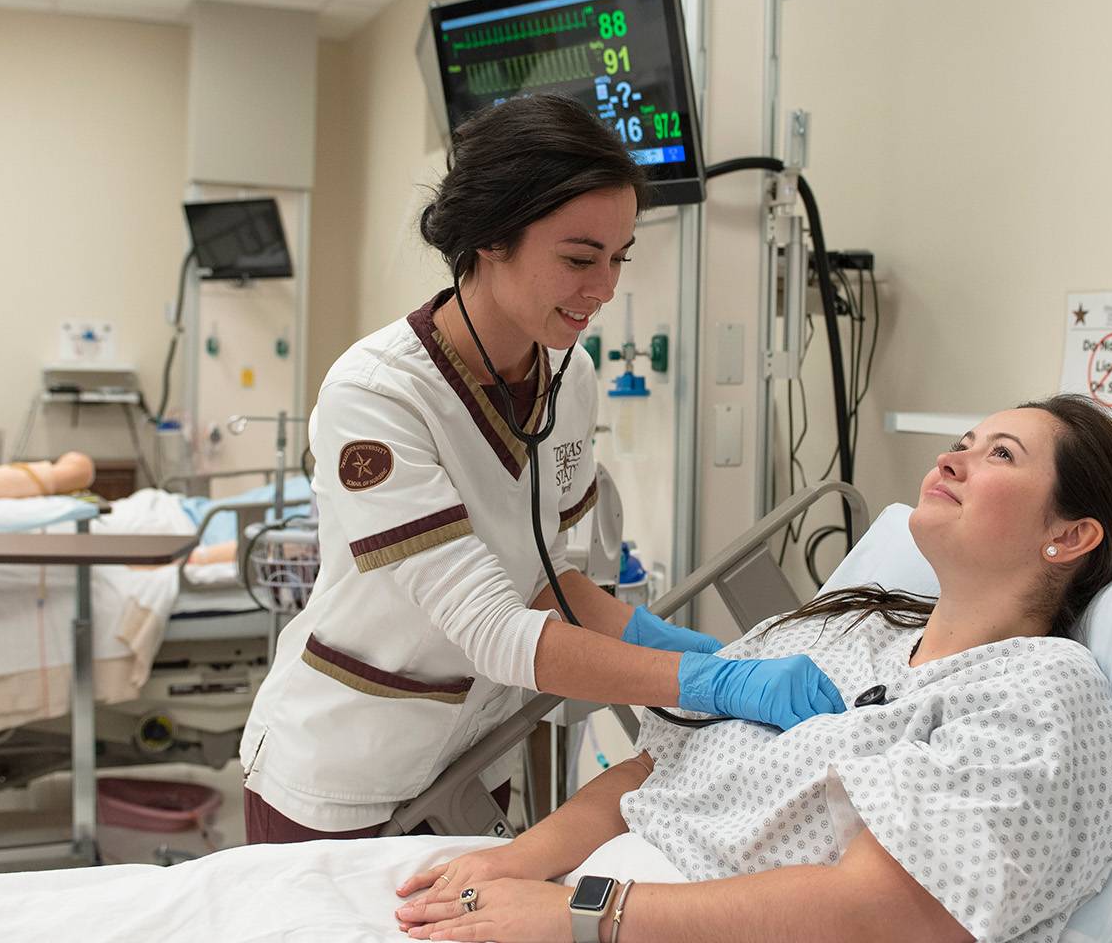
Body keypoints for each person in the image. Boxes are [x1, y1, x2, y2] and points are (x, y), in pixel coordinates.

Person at [238, 95, 845, 843]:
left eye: (618, 258)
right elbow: (491, 628)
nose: (606, 289)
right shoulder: (376, 394)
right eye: (579, 258)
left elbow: (550, 584)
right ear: (491, 238)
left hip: (467, 760)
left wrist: (678, 643)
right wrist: (707, 684)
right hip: (341, 773)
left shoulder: (569, 371)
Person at [391, 394, 1112, 943]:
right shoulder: (853, 626)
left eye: (999, 454)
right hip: (593, 897)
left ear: (1069, 536)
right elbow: (652, 772)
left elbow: (882, 916)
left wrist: (585, 916)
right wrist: (515, 862)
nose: (952, 456)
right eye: (964, 438)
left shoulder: (1038, 690)